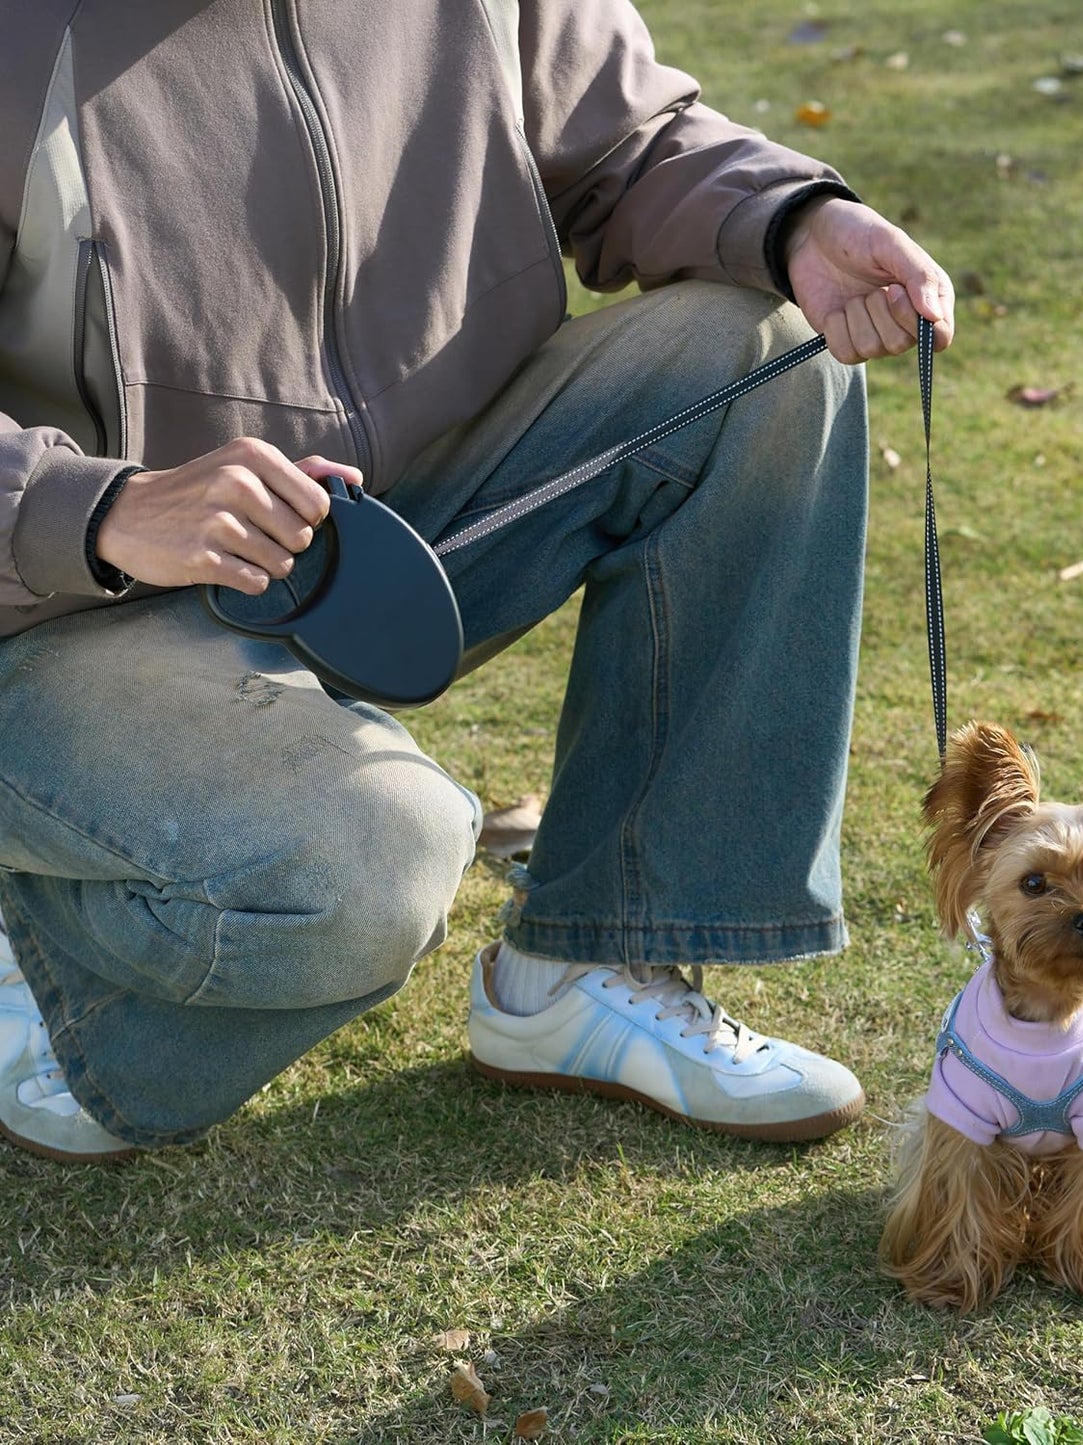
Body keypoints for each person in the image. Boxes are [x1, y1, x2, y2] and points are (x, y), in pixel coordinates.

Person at [0, 1, 955, 1162]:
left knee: (765, 358)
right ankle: (56, 1001)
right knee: (369, 857)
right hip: (58, 608)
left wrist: (793, 217)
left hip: (376, 537)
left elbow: (621, 142)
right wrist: (91, 507)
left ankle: (591, 959)